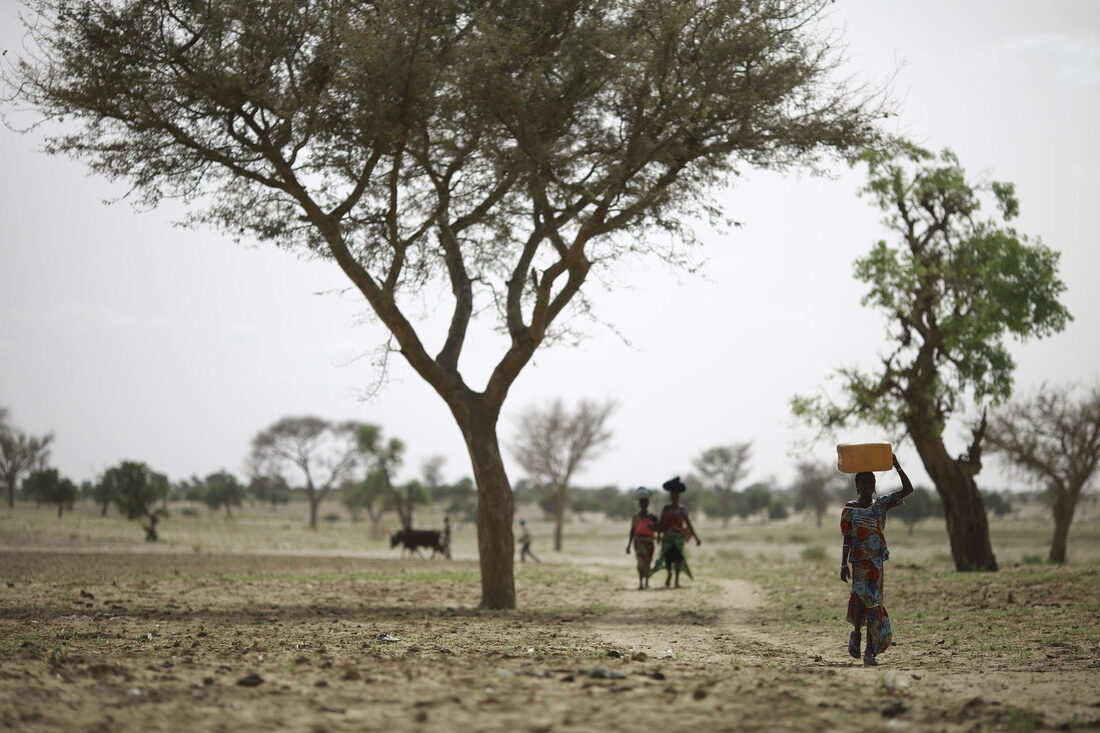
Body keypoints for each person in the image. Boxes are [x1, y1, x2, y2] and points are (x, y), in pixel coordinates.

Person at [840, 454, 913, 666]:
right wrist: (843, 564)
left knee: (873, 605)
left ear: (874, 486)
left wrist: (897, 466)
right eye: (863, 482)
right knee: (862, 602)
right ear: (857, 485)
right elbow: (847, 538)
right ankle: (856, 633)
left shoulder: (880, 505)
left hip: (876, 564)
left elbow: (908, 489)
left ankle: (869, 651)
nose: (867, 485)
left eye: (871, 482)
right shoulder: (850, 509)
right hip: (859, 563)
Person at [650, 477, 702, 588]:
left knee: (678, 559)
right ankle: (669, 574)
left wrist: (696, 538)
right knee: (668, 559)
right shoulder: (666, 508)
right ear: (670, 496)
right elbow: (662, 523)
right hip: (667, 538)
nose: (674, 497)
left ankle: (677, 581)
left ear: (679, 496)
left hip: (678, 538)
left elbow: (688, 524)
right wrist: (659, 536)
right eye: (672, 495)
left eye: (676, 495)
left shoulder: (682, 509)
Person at [626, 487, 659, 590]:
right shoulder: (636, 517)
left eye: (645, 502)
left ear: (648, 503)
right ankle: (641, 583)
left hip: (649, 542)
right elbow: (632, 530)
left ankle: (646, 582)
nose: (643, 504)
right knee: (640, 562)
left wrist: (656, 533)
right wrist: (629, 545)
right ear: (639, 504)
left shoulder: (652, 517)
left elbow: (657, 528)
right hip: (639, 542)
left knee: (648, 562)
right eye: (641, 502)